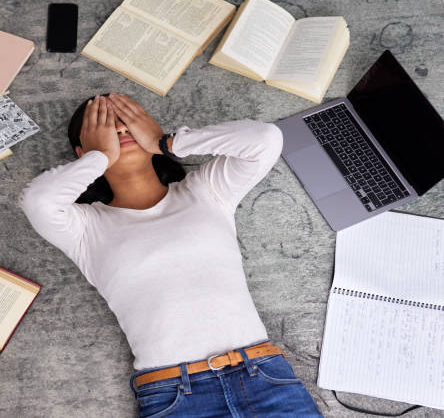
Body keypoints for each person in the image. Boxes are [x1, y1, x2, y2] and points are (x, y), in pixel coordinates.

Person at [20, 93, 322, 417]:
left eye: (127, 122)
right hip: (176, 396)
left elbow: (265, 138)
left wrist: (167, 142)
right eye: (106, 128)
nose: (121, 131)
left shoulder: (206, 191)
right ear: (82, 153)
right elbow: (37, 201)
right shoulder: (84, 228)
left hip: (263, 376)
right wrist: (99, 158)